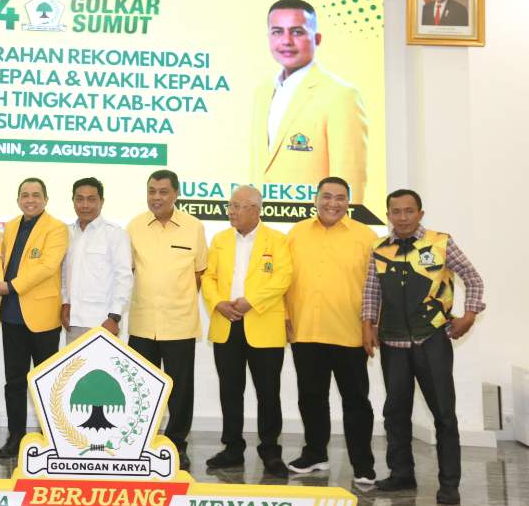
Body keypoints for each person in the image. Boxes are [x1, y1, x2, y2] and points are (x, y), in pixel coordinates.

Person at [363, 189, 485, 505]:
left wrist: (470, 314)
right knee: (395, 412)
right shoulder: (379, 249)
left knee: (443, 414)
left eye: (409, 211)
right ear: (388, 215)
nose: (402, 217)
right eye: (396, 211)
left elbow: (473, 278)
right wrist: (368, 325)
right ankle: (402, 474)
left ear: (420, 213)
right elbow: (371, 292)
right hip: (393, 344)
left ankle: (449, 484)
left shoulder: (440, 242)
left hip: (432, 341)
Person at [285, 177, 377, 484]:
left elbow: (377, 286)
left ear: (348, 202)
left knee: (356, 401)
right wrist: (285, 316)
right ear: (315, 199)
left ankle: (362, 464)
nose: (332, 203)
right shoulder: (296, 233)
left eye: (340, 198)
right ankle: (315, 454)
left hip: (349, 332)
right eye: (326, 196)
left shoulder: (366, 236)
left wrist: (372, 324)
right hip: (305, 331)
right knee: (311, 397)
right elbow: (282, 279)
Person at [202, 185, 292, 479]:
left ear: (255, 209)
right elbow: (209, 278)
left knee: (268, 392)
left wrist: (251, 301)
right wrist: (218, 303)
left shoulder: (277, 240)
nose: (231, 211)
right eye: (230, 205)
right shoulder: (220, 240)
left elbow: (283, 277)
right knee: (230, 391)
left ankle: (270, 451)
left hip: (263, 324)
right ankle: (232, 448)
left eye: (237, 206)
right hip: (227, 323)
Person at [126, 169, 208, 471]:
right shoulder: (134, 226)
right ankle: (142, 442)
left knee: (181, 390)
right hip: (143, 323)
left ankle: (176, 444)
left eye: (163, 191)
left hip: (180, 323)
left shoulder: (194, 227)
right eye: (151, 191)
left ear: (175, 194)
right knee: (141, 389)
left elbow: (200, 273)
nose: (156, 197)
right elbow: (127, 271)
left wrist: (177, 299)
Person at [250, 0, 369, 203]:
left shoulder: (341, 95)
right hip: (263, 217)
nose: (286, 41)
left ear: (317, 39)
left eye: (297, 32)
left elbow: (349, 179)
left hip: (314, 219)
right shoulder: (262, 91)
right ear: (268, 37)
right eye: (277, 32)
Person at [0, 178, 68, 459]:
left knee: (47, 382)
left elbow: (47, 267)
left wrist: (11, 286)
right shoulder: (10, 226)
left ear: (45, 199)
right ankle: (15, 437)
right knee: (14, 382)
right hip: (12, 314)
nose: (30, 200)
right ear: (18, 200)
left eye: (36, 195)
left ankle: (51, 438)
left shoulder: (57, 228)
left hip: (43, 317)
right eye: (25, 195)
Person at [60, 177, 133, 343]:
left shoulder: (115, 234)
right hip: (73, 322)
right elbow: (64, 274)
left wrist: (114, 317)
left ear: (102, 201)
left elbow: (124, 278)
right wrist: (65, 303)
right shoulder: (67, 233)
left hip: (103, 322)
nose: (85, 205)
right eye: (80, 199)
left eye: (91, 199)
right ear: (73, 201)